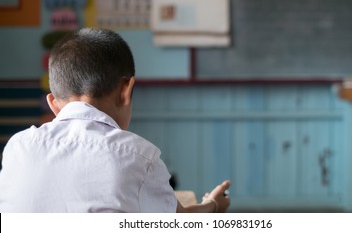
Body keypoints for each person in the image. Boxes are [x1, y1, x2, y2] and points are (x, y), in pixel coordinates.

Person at [0, 28, 231, 213]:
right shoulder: (139, 157)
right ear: (125, 90)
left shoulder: (18, 148)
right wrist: (213, 204)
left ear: (53, 105)